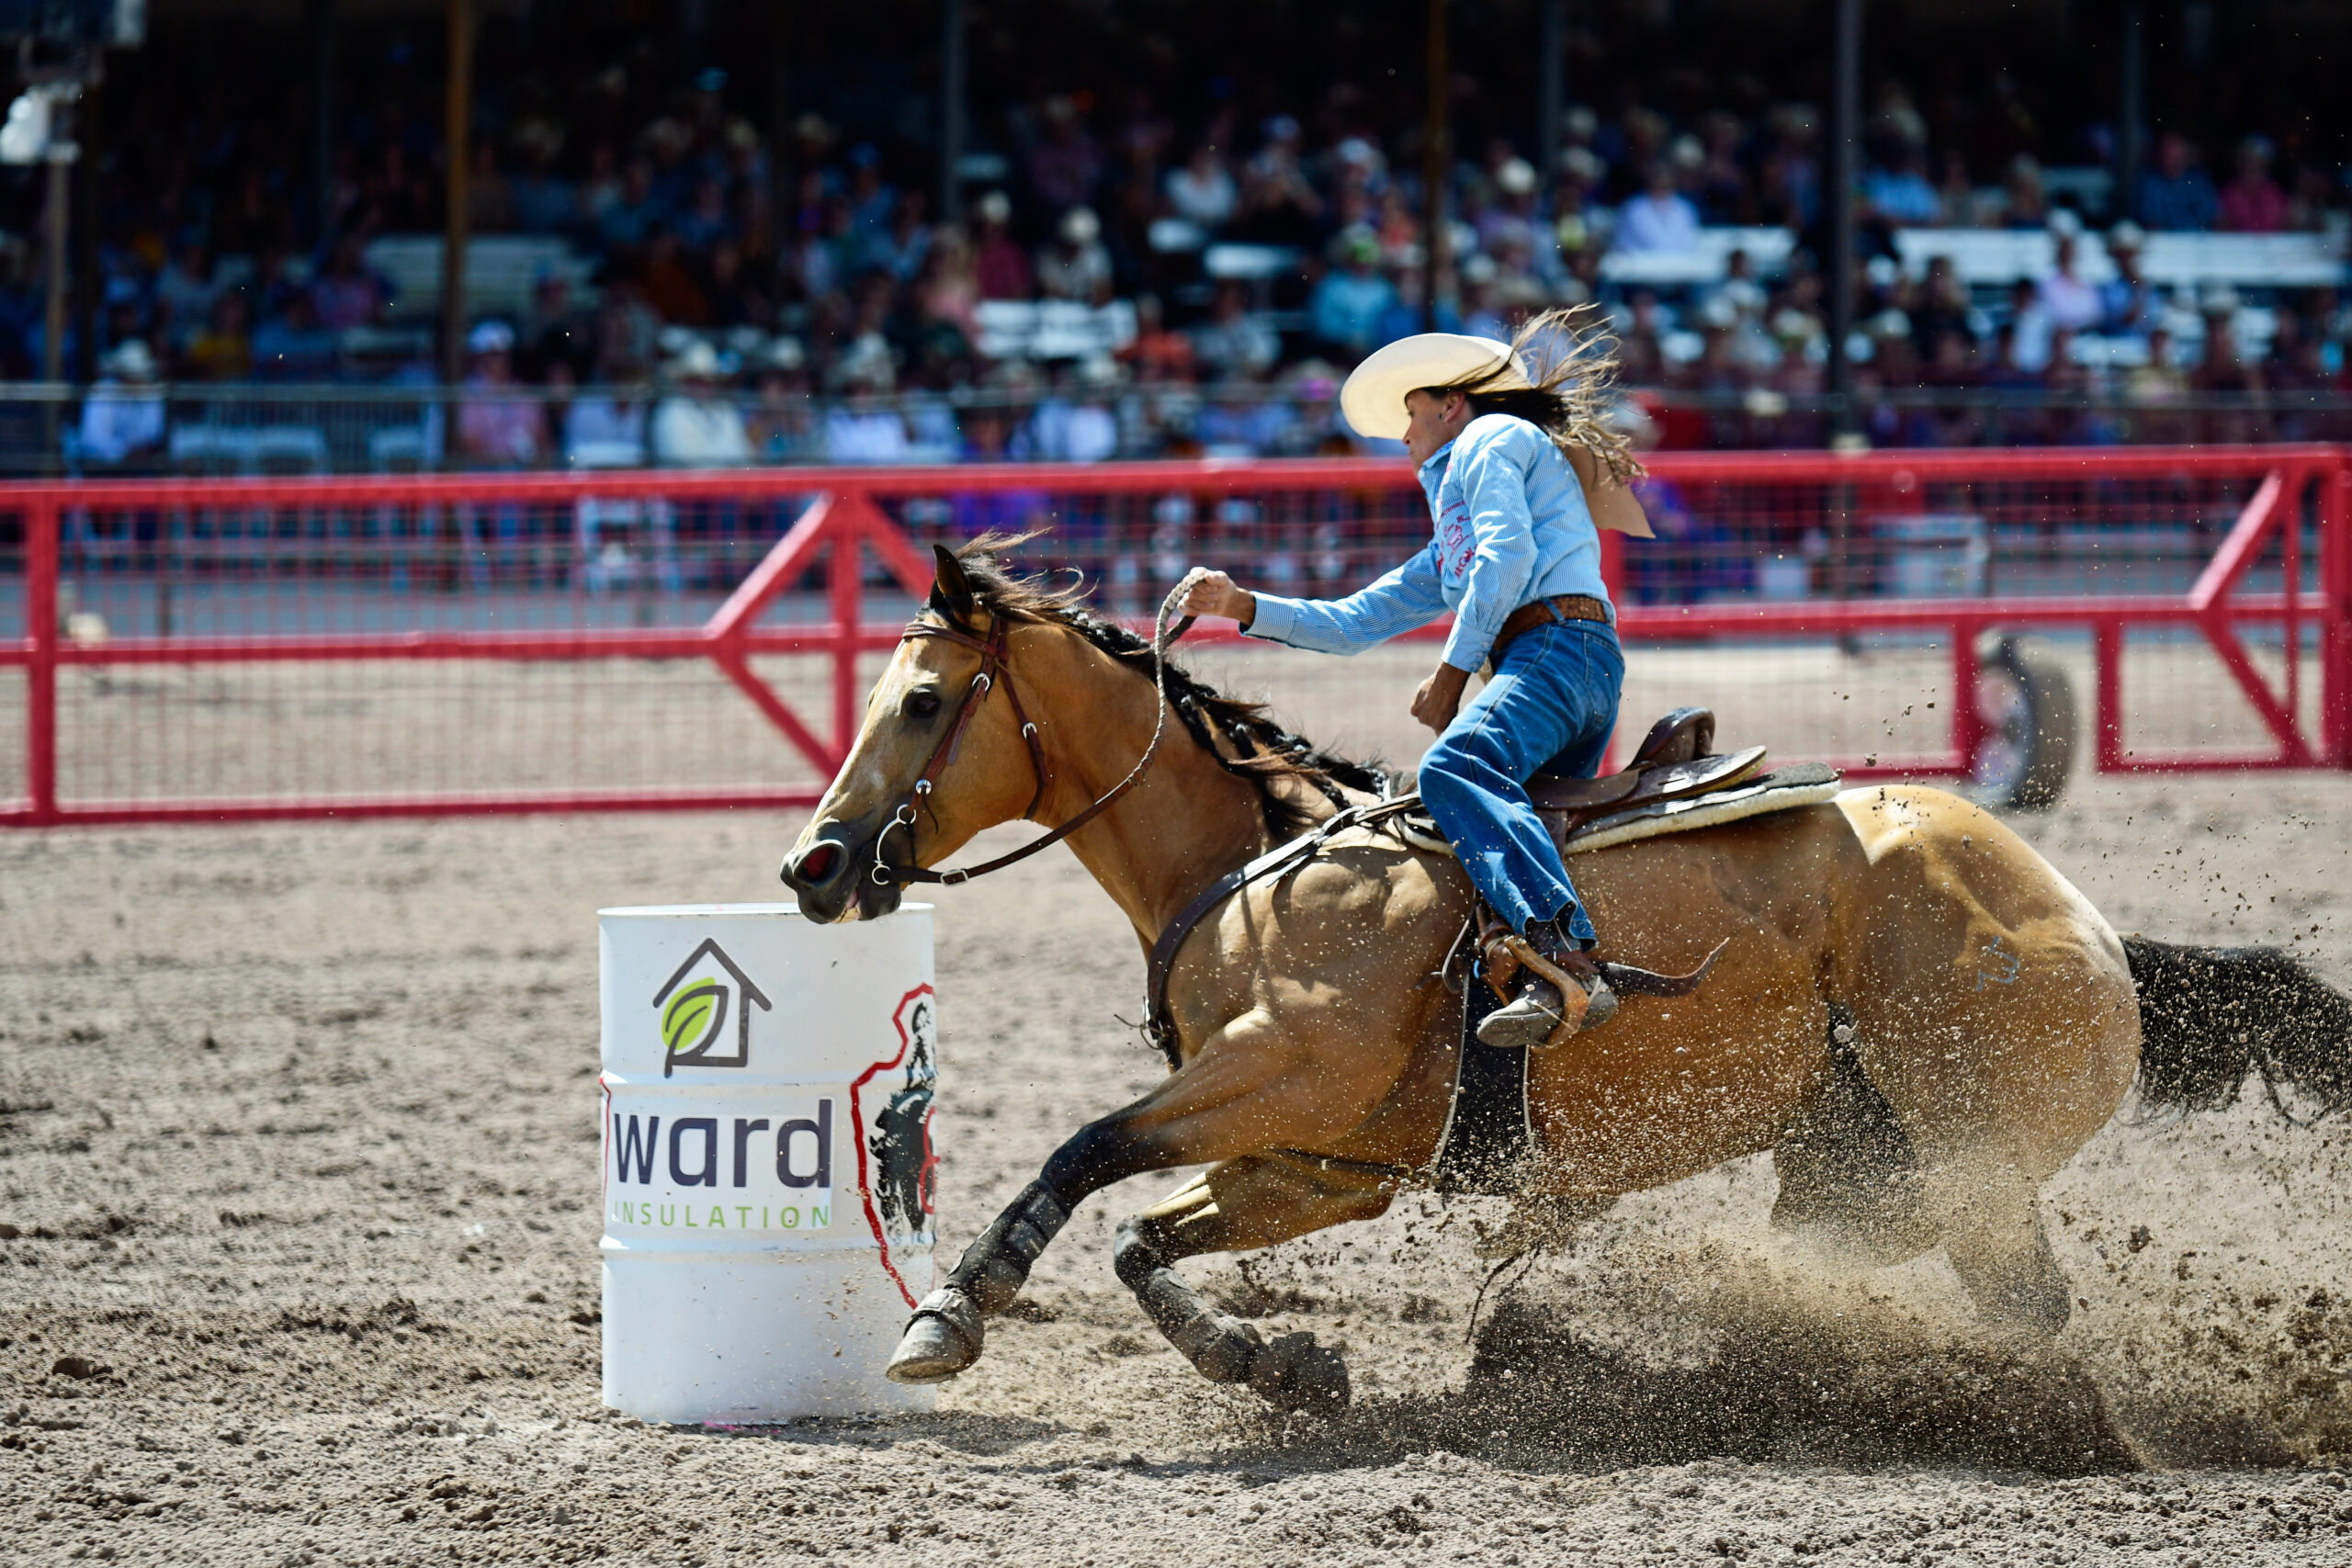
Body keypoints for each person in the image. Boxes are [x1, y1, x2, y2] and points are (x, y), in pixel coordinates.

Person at [1180, 316, 1655, 1048]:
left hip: (1554, 652)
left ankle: (1563, 956)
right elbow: (1353, 621)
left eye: (1411, 412)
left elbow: (1506, 558)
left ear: (1451, 404)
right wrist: (1243, 605)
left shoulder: (1490, 438)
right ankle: (1536, 981)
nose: (1403, 435)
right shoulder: (1454, 538)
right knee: (1518, 822)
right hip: (1575, 661)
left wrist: (1450, 675)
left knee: (1455, 768)